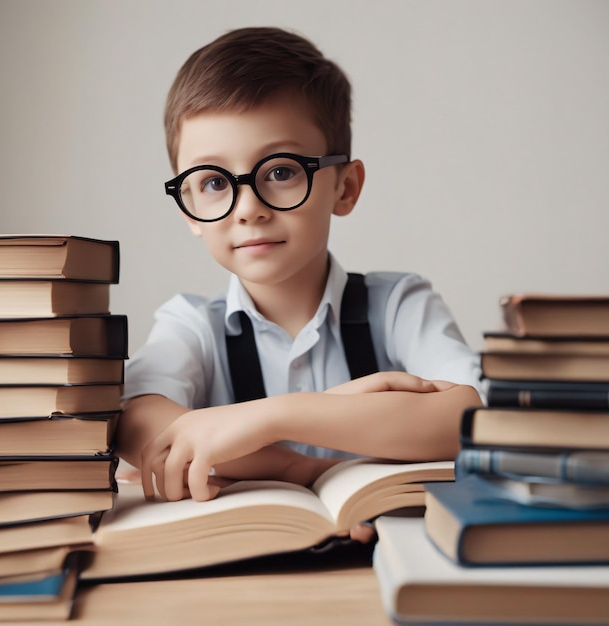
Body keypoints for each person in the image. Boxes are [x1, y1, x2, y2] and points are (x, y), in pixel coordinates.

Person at [117, 27, 483, 541]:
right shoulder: (192, 324)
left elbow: (472, 416)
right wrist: (298, 469)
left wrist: (277, 417)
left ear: (345, 186)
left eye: (281, 171)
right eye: (214, 182)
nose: (248, 209)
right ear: (189, 209)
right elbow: (135, 421)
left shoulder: (397, 304)